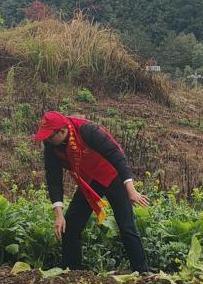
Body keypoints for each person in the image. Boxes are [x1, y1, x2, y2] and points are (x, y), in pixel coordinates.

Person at [33, 111, 150, 273]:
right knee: (71, 224)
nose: (47, 140)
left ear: (62, 131)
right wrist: (58, 214)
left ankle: (143, 272)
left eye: (49, 136)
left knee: (126, 226)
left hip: (112, 176)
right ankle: (72, 272)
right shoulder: (51, 146)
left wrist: (131, 189)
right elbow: (53, 179)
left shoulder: (87, 130)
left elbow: (116, 155)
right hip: (89, 182)